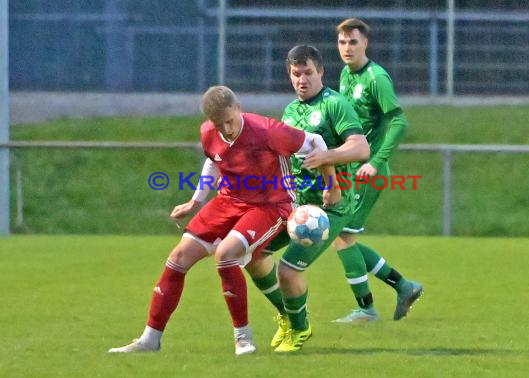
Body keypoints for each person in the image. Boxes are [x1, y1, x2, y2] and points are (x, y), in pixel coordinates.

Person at [108, 85, 332, 355]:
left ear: (239, 108)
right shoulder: (208, 133)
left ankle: (243, 338)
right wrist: (195, 201)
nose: (226, 129)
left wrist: (330, 183)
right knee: (178, 258)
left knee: (226, 255)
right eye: (219, 124)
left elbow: (316, 142)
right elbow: (214, 161)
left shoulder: (268, 130)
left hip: (270, 206)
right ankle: (150, 339)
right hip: (228, 201)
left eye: (230, 120)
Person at [267, 45, 372, 353]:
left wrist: (328, 156)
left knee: (288, 271)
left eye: (308, 73)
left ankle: (299, 330)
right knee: (254, 253)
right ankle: (288, 315)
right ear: (289, 75)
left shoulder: (334, 105)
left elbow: (361, 148)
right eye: (296, 74)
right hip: (296, 205)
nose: (302, 80)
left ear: (321, 72)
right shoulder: (289, 111)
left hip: (331, 206)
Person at [333, 18, 423, 323]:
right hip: (351, 170)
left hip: (368, 174)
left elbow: (399, 122)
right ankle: (404, 286)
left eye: (353, 42)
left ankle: (367, 309)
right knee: (343, 237)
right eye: (343, 42)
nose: (347, 48)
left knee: (342, 237)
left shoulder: (376, 78)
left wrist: (375, 161)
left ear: (365, 44)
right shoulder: (346, 74)